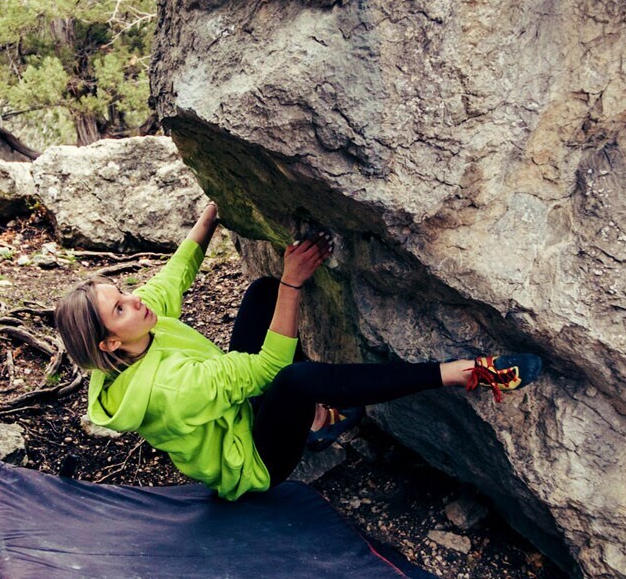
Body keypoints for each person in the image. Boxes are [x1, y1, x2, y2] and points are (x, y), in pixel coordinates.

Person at [52, 201, 543, 500]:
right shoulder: (168, 390)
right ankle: (457, 372)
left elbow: (169, 280)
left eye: (123, 292)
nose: (135, 300)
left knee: (262, 292)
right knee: (292, 379)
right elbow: (269, 369)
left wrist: (211, 215)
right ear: (110, 342)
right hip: (253, 463)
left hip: (238, 409)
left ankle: (315, 420)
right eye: (120, 307)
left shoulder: (131, 336)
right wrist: (295, 284)